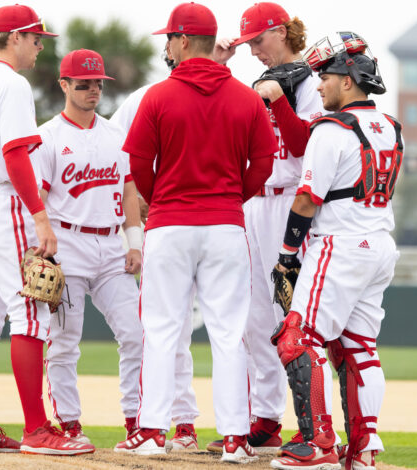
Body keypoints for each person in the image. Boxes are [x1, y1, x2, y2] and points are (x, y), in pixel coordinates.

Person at [113, 2, 277, 463]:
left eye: (169, 37)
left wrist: (161, 195)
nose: (166, 44)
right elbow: (263, 165)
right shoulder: (246, 98)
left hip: (169, 224)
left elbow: (138, 167)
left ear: (184, 41)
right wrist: (230, 198)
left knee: (162, 331)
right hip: (225, 224)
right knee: (229, 334)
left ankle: (151, 432)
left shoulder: (158, 97)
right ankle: (235, 439)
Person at [0, 4, 94, 456]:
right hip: (1, 201)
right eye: (36, 38)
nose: (40, 46)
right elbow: (16, 153)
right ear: (15, 37)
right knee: (31, 311)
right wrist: (39, 214)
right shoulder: (11, 83)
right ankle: (37, 429)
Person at [269, 32, 402, 470]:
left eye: (325, 74)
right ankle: (362, 449)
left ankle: (318, 444)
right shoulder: (390, 128)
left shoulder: (332, 129)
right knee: (360, 347)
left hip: (340, 243)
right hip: (379, 244)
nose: (320, 83)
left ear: (348, 80)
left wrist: (288, 255)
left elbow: (307, 199)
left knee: (297, 338)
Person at [208, 2, 326, 454]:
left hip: (290, 206)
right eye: (248, 44)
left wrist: (279, 99)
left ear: (281, 32)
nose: (254, 50)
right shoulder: (257, 84)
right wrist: (216, 66)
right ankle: (265, 418)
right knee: (254, 316)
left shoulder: (312, 83)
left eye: (258, 40)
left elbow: (302, 148)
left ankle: (310, 424)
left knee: (290, 317)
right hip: (253, 205)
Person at [33, 49, 144, 444]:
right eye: (84, 83)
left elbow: (129, 191)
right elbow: (37, 201)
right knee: (64, 341)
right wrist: (39, 248)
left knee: (136, 334)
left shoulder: (116, 134)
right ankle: (70, 425)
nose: (93, 89)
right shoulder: (47, 137)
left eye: (98, 83)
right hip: (67, 243)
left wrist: (135, 242)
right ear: (64, 85)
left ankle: (136, 422)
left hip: (111, 244)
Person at [110, 47, 201, 452]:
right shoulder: (145, 98)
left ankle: (169, 424)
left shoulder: (215, 95)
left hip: (185, 221)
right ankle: (171, 423)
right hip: (172, 222)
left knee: (168, 331)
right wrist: (139, 197)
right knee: (168, 331)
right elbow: (116, 153)